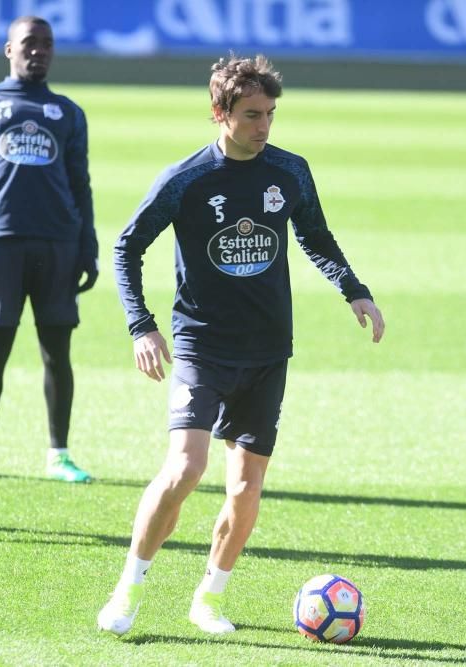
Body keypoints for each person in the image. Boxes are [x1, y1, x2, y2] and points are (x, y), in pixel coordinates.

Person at [97, 53, 384, 636]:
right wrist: (140, 325)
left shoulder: (290, 171)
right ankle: (128, 588)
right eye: (252, 114)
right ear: (219, 112)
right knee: (184, 469)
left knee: (247, 489)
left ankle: (209, 597)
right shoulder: (186, 180)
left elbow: (316, 236)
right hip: (202, 347)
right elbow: (126, 247)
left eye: (271, 113)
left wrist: (354, 291)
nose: (264, 126)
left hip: (269, 350)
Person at [0, 15, 99, 483]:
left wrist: (88, 244)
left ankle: (59, 453)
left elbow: (81, 184)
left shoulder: (68, 112)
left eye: (47, 44)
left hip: (58, 243)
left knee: (57, 351)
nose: (39, 51)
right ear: (8, 49)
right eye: (29, 43)